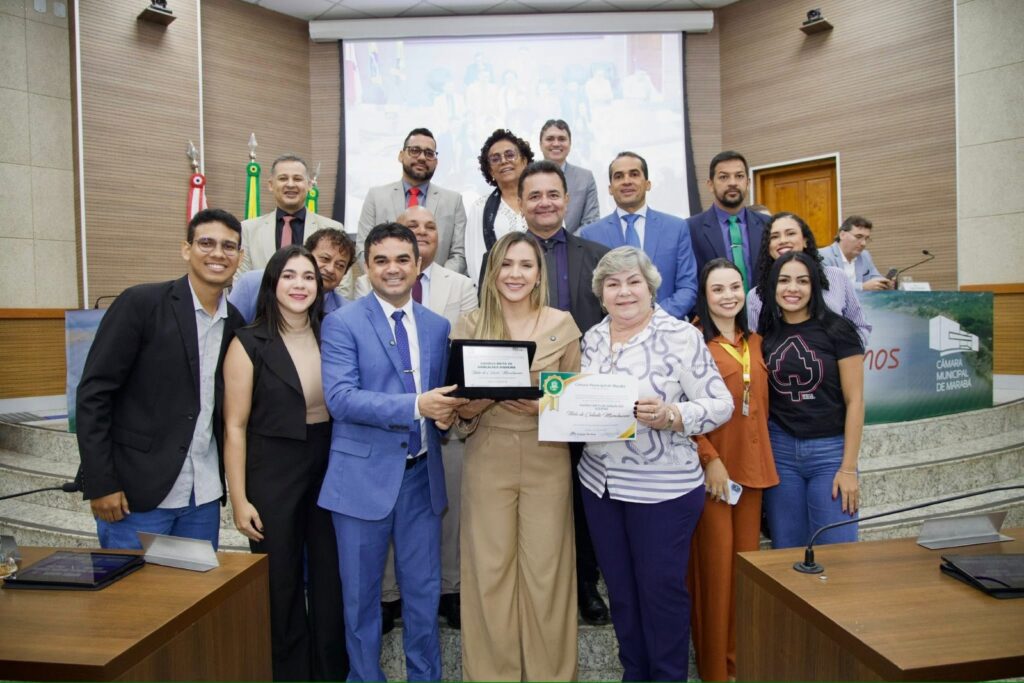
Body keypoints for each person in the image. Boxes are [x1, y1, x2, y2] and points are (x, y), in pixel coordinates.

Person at [317, 222, 467, 682]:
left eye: (403, 259)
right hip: (361, 482)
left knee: (423, 594)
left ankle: (426, 677)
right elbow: (341, 398)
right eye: (381, 260)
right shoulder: (341, 322)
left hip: (422, 478)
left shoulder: (437, 325)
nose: (393, 269)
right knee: (360, 598)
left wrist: (444, 416)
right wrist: (417, 405)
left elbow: (441, 399)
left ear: (419, 264)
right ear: (366, 267)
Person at [579, 246, 733, 682]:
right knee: (623, 597)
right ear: (601, 293)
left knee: (660, 595)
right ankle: (635, 674)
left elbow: (721, 404)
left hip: (662, 491)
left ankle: (667, 677)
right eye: (613, 284)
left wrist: (674, 415)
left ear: (650, 287)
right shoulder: (590, 338)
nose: (624, 292)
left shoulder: (680, 336)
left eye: (633, 282)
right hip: (601, 487)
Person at [481, 160, 612, 625]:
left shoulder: (596, 254)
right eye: (533, 195)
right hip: (514, 409)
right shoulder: (498, 258)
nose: (544, 203)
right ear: (522, 203)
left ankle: (585, 586)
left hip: (577, 393)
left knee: (581, 498)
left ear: (566, 199)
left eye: (552, 194)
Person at [453, 231, 582, 681]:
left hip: (548, 455)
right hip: (487, 453)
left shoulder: (563, 324)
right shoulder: (468, 326)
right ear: (492, 271)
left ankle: (553, 675)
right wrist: (482, 398)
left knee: (548, 573)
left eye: (525, 265)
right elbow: (455, 409)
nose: (515, 274)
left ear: (538, 273)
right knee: (488, 571)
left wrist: (544, 403)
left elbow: (577, 400)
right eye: (506, 264)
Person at [77, 208, 246, 549]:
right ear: (186, 249)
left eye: (229, 246)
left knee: (195, 600)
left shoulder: (237, 324)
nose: (218, 253)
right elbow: (94, 394)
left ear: (240, 257)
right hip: (135, 496)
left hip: (203, 498)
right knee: (132, 602)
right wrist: (101, 482)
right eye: (206, 243)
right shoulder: (141, 303)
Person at [223, 245, 346, 681]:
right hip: (272, 467)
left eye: (309, 277)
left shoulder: (334, 332)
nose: (300, 285)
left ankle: (331, 672)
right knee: (281, 581)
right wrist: (238, 499)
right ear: (272, 283)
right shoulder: (248, 341)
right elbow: (234, 427)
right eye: (289, 276)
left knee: (332, 580)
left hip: (328, 460)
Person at [357, 205, 478, 631]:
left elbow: (461, 348)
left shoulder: (458, 288)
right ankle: (390, 596)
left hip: (439, 427)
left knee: (440, 515)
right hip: (380, 435)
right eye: (413, 225)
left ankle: (448, 588)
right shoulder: (359, 294)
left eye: (431, 225)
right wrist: (412, 404)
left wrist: (445, 408)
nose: (423, 231)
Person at [688, 258, 778, 683]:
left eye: (734, 287)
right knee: (715, 577)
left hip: (754, 472)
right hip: (714, 476)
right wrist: (710, 459)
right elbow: (682, 410)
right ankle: (714, 673)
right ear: (705, 297)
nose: (728, 296)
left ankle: (739, 665)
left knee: (745, 577)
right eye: (717, 289)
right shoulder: (692, 343)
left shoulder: (757, 342)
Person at [759, 251, 865, 549]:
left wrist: (848, 468)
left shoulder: (839, 330)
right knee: (788, 551)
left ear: (815, 286)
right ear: (772, 286)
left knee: (837, 552)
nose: (793, 289)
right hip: (781, 454)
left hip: (830, 454)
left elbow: (855, 401)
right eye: (784, 280)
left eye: (802, 281)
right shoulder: (765, 335)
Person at [579, 151, 698, 318]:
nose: (626, 181)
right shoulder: (590, 235)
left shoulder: (676, 228)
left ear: (648, 184)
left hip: (666, 330)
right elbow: (590, 294)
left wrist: (653, 318)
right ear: (610, 188)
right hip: (614, 333)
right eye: (619, 176)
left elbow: (687, 287)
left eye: (634, 174)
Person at [746, 212, 872, 346]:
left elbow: (861, 326)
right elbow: (755, 345)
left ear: (805, 240)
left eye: (790, 233)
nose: (782, 240)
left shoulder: (836, 277)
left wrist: (846, 355)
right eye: (775, 236)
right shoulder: (757, 296)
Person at [356, 128, 468, 274]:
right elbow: (363, 249)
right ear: (401, 156)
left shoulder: (454, 201)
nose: (422, 157)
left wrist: (434, 282)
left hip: (439, 290)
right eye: (415, 150)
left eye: (429, 153)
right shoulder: (376, 197)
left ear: (436, 162)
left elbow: (459, 254)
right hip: (387, 287)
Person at [238, 154, 345, 277]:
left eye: (297, 179)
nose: (290, 184)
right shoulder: (248, 229)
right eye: (283, 178)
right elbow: (242, 281)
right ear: (271, 185)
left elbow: (341, 284)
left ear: (309, 185)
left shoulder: (332, 228)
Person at [230, 228, 354, 323]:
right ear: (307, 255)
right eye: (325, 259)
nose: (331, 269)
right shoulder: (252, 283)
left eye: (340, 265)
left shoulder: (346, 313)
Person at [687, 151, 771, 290]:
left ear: (748, 182)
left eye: (739, 176)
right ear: (710, 184)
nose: (732, 183)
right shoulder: (690, 229)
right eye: (724, 177)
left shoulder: (768, 225)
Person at [464, 129, 533, 284]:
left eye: (510, 155)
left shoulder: (543, 201)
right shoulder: (480, 208)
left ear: (524, 160)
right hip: (499, 295)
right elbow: (476, 263)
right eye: (495, 158)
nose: (503, 161)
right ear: (490, 170)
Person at [538, 118, 600, 233]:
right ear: (540, 144)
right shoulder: (528, 177)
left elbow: (591, 222)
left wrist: (567, 244)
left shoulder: (585, 178)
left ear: (570, 144)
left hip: (574, 248)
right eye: (550, 139)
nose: (556, 143)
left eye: (562, 139)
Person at [820, 215, 893, 290]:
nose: (863, 243)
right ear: (842, 235)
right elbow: (829, 286)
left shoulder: (865, 255)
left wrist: (884, 283)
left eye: (866, 238)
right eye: (858, 237)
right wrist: (862, 287)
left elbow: (875, 277)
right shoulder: (823, 255)